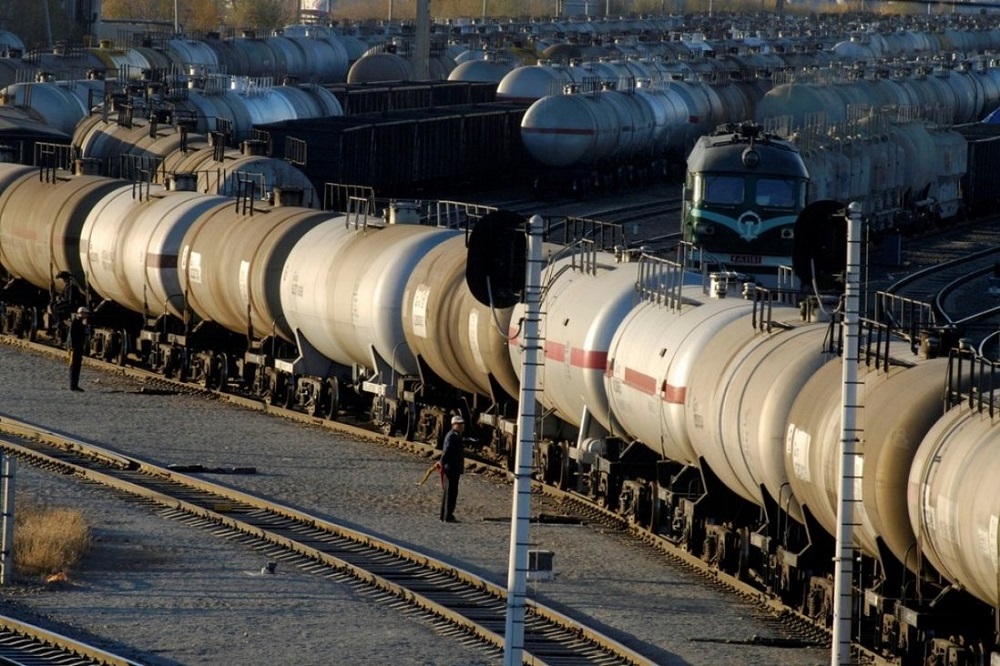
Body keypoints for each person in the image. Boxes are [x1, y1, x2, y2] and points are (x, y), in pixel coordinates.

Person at [439, 414, 465, 523]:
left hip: (452, 467)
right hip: (452, 468)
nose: (461, 426)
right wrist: (442, 462)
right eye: (459, 424)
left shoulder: (453, 435)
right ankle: (448, 515)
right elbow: (448, 451)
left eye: (462, 424)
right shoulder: (453, 436)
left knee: (449, 492)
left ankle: (444, 515)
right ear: (453, 425)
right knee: (451, 492)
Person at [68, 306, 89, 391]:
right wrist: (72, 347)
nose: (86, 315)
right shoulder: (76, 322)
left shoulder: (79, 322)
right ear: (82, 313)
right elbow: (72, 335)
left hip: (78, 347)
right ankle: (73, 385)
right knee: (74, 366)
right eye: (85, 313)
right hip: (75, 348)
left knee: (77, 366)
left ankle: (75, 384)